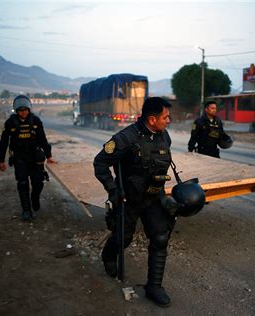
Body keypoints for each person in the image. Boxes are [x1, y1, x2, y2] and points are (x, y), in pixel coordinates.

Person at [93, 97, 175, 307]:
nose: (169, 121)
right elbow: (100, 162)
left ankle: (154, 286)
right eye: (166, 117)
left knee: (160, 237)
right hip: (129, 199)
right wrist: (113, 190)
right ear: (152, 119)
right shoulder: (125, 138)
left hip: (154, 197)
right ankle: (109, 255)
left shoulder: (164, 136)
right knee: (124, 238)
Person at [0, 95, 56, 221]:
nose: (23, 112)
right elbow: (3, 143)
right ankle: (26, 210)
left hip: (35, 157)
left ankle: (35, 198)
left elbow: (43, 139)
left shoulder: (35, 121)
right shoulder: (10, 123)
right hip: (19, 158)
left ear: (29, 109)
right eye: (20, 110)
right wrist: (1, 160)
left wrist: (49, 156)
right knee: (22, 183)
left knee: (38, 183)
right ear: (16, 111)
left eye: (25, 110)